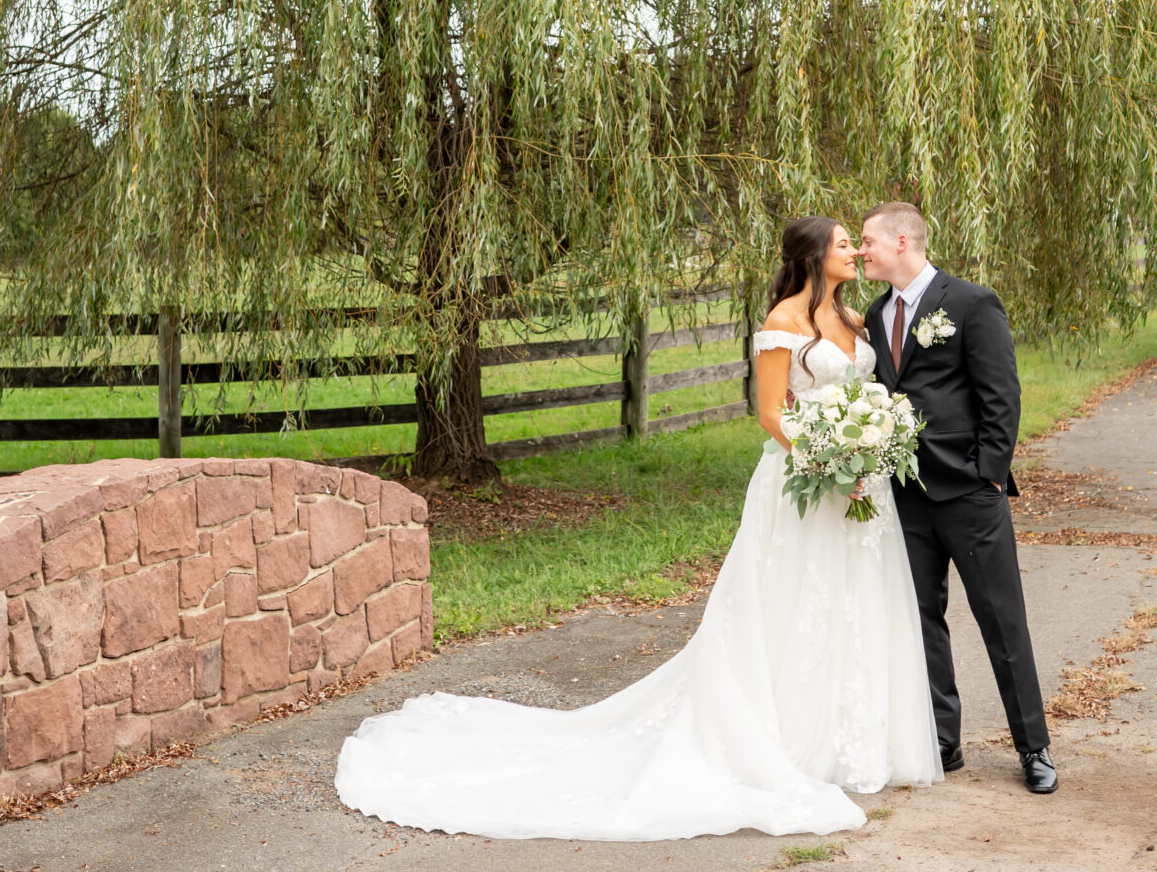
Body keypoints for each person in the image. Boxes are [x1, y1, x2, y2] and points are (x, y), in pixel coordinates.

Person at [334, 217, 939, 839]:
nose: (853, 252)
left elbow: (866, 392)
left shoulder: (856, 320)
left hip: (857, 489)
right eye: (843, 244)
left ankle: (850, 739)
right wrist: (826, 458)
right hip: (802, 482)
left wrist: (866, 452)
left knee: (849, 602)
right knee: (792, 601)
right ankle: (789, 739)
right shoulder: (783, 322)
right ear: (814, 257)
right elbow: (768, 412)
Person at [859, 202, 1057, 795]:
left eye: (866, 240)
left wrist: (989, 475)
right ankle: (942, 741)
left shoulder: (971, 303)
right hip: (906, 495)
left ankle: (1035, 748)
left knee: (1001, 620)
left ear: (901, 241)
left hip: (970, 494)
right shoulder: (875, 314)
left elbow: (1002, 396)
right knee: (921, 621)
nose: (861, 250)